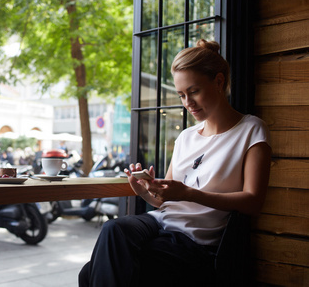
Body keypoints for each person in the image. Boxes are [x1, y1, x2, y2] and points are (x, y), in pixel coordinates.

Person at [78, 40, 272, 286]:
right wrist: (144, 191)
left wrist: (190, 194)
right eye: (181, 94)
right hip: (161, 224)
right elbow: (165, 201)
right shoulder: (186, 137)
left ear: (219, 82)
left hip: (197, 241)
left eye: (194, 91)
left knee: (90, 272)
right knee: (113, 230)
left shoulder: (250, 130)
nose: (187, 102)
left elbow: (254, 201)